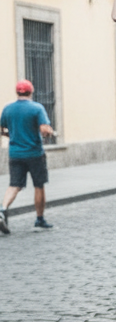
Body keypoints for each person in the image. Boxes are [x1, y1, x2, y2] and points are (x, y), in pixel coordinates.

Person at [0, 80, 55, 233]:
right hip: (34, 153)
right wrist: (49, 132)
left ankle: (2, 210)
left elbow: (2, 129)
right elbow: (44, 129)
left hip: (15, 153)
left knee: (15, 185)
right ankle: (39, 219)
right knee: (39, 185)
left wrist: (10, 134)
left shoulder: (8, 109)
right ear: (31, 92)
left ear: (17, 92)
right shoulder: (37, 108)